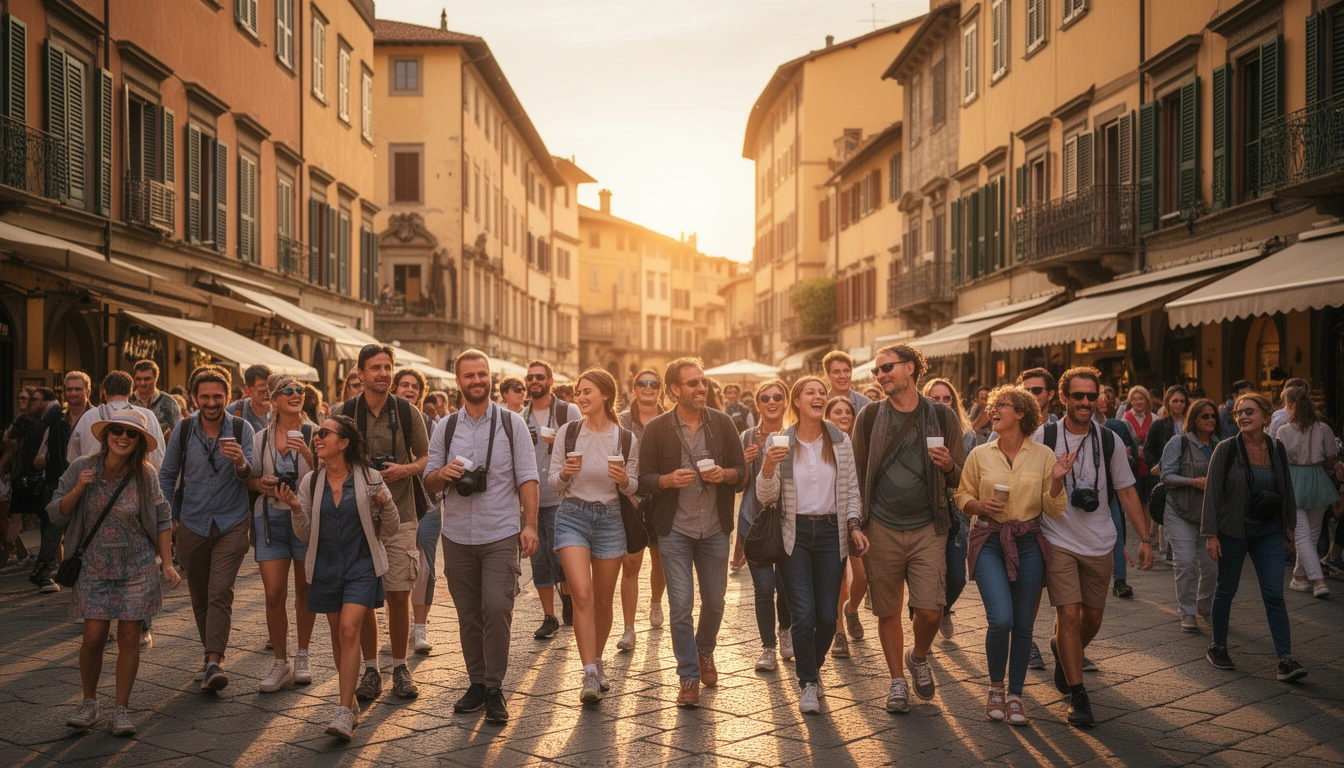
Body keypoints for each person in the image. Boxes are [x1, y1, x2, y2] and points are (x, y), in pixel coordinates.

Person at [423, 349, 539, 724]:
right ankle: (476, 682)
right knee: (468, 614)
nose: (476, 381)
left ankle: (494, 686)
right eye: (469, 375)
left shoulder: (511, 423)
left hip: (501, 532)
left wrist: (531, 525)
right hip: (456, 535)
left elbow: (528, 477)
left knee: (498, 607)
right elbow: (427, 480)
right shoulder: (446, 427)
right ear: (458, 382)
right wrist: (444, 473)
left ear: (490, 378)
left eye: (482, 374)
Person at [850, 344, 966, 715]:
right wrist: (855, 522)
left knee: (931, 610)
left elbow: (961, 479)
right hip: (881, 526)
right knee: (888, 609)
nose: (880, 375)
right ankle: (897, 681)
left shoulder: (942, 416)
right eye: (876, 371)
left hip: (930, 526)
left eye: (887, 368)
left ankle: (918, 657)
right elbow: (854, 475)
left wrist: (948, 465)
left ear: (911, 368)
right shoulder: (868, 417)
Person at [50, 409, 180, 737]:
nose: (122, 437)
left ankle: (121, 708)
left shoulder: (145, 475)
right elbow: (55, 513)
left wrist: (166, 563)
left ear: (139, 441)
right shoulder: (82, 468)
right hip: (93, 567)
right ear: (106, 435)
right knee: (93, 637)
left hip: (136, 567)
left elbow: (163, 517)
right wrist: (78, 488)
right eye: (116, 430)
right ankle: (89, 702)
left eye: (130, 433)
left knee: (129, 639)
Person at [1035, 366, 1153, 727]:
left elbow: (1126, 490)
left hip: (1100, 541)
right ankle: (1078, 695)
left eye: (1091, 396)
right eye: (1078, 396)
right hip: (1058, 538)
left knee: (1093, 618)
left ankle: (1063, 649)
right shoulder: (1046, 435)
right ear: (1063, 397)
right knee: (1068, 615)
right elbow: (1032, 484)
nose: (1085, 402)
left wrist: (1144, 537)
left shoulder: (1109, 440)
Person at [276, 416, 400, 740]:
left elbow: (392, 527)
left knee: (348, 629)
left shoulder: (369, 477)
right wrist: (295, 509)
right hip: (326, 567)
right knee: (337, 634)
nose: (316, 438)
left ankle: (344, 711)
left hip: (361, 565)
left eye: (324, 434)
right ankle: (349, 703)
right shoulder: (311, 483)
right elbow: (303, 534)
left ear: (343, 442)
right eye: (317, 434)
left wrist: (384, 504)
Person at [956, 386, 1069, 726]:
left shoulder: (1044, 455)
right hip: (990, 537)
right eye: (992, 405)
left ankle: (1016, 696)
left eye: (1001, 405)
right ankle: (995, 688)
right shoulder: (980, 454)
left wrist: (1057, 482)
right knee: (1001, 619)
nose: (994, 410)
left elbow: (1054, 508)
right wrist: (979, 505)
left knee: (1023, 624)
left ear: (1020, 413)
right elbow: (962, 495)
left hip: (1029, 540)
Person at [637, 357, 745, 708]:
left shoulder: (723, 423)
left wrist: (724, 475)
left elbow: (742, 473)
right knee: (680, 605)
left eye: (703, 382)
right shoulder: (657, 429)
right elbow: (643, 479)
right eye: (693, 383)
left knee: (714, 602)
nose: (702, 388)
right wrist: (667, 481)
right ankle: (687, 675)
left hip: (714, 528)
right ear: (674, 390)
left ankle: (704, 651)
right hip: (675, 530)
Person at [756, 376, 867, 714]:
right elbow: (766, 496)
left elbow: (851, 490)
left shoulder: (840, 441)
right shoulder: (782, 442)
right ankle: (807, 682)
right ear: (798, 403)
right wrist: (768, 465)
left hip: (832, 534)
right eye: (811, 393)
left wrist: (854, 524)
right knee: (802, 614)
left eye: (822, 393)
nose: (819, 397)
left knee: (825, 616)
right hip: (796, 535)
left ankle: (813, 669)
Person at [331, 345, 430, 702]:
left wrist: (404, 470)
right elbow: (331, 458)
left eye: (388, 367)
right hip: (357, 517)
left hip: (401, 513)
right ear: (360, 373)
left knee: (398, 592)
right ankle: (371, 668)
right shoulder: (345, 413)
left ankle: (400, 665)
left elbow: (424, 457)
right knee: (365, 594)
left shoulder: (407, 412)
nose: (384, 373)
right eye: (376, 368)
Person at [158, 365, 255, 692]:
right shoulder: (183, 431)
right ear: (194, 397)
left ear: (227, 397)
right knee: (199, 596)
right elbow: (167, 476)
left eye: (218, 396)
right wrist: (166, 519)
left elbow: (250, 476)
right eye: (205, 396)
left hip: (232, 523)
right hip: (193, 523)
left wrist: (241, 461)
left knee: (219, 591)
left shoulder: (243, 430)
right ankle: (209, 657)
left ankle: (215, 660)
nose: (212, 402)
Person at [550, 368, 641, 704]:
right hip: (572, 515)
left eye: (587, 391)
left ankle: (598, 660)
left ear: (605, 395)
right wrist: (564, 472)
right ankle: (588, 672)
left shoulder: (626, 438)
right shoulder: (568, 432)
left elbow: (634, 485)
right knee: (583, 596)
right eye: (578, 392)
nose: (581, 397)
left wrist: (623, 480)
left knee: (603, 603)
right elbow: (553, 483)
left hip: (610, 519)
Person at [1203, 392, 1305, 681]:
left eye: (1250, 411)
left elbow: (1286, 486)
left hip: (1269, 530)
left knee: (1274, 593)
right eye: (1239, 412)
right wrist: (1211, 534)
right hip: (1234, 530)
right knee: (1226, 589)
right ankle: (1218, 646)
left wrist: (1289, 525)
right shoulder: (1226, 449)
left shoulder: (1276, 447)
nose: (1243, 417)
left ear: (1265, 416)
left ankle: (1285, 659)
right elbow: (1211, 493)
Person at [246, 375, 318, 691]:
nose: (295, 394)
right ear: (274, 399)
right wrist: (258, 484)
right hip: (271, 518)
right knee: (274, 593)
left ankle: (302, 655)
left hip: (303, 518)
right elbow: (252, 478)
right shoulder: (261, 438)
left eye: (300, 390)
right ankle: (280, 662)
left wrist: (307, 454)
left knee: (304, 590)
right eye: (287, 390)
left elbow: (330, 475)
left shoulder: (315, 433)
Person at [731, 379, 794, 670]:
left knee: (786, 586)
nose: (771, 402)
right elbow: (739, 486)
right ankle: (768, 647)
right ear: (758, 404)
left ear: (785, 401)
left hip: (788, 522)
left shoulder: (796, 433)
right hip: (753, 521)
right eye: (765, 397)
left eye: (777, 397)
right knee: (764, 587)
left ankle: (785, 630)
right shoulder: (746, 437)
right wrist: (744, 464)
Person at [523, 360, 582, 637]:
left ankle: (568, 598)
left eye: (539, 377)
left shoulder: (567, 410)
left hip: (562, 497)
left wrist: (559, 440)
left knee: (564, 558)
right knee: (539, 561)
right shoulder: (520, 416)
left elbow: (583, 444)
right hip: (532, 500)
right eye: (530, 377)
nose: (534, 381)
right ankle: (549, 617)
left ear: (550, 380)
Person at [921, 377, 976, 641]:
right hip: (925, 514)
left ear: (954, 401)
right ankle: (922, 628)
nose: (941, 403)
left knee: (956, 577)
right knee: (924, 579)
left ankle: (945, 610)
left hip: (957, 515)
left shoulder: (968, 435)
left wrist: (951, 467)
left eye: (946, 398)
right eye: (934, 399)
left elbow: (973, 474)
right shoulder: (918, 430)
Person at [1160, 398, 1220, 632]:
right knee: (1185, 562)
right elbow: (1166, 476)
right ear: (1194, 419)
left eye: (1213, 416)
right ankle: (1187, 612)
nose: (1211, 420)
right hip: (1179, 511)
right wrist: (1192, 481)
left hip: (1208, 515)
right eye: (1205, 416)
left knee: (1212, 565)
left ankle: (1204, 605)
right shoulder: (1179, 442)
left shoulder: (1218, 445)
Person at [394, 368, 441, 655]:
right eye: (404, 385)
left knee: (425, 566)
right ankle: (397, 627)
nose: (409, 390)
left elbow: (437, 460)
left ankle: (419, 627)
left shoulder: (430, 424)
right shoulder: (385, 422)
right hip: (394, 505)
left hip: (427, 504)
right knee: (395, 568)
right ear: (395, 389)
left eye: (415, 387)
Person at [618, 369, 667, 637]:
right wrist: (628, 494)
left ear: (660, 389)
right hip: (631, 499)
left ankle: (656, 603)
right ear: (634, 388)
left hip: (661, 497)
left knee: (659, 561)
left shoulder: (670, 420)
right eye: (643, 383)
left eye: (653, 383)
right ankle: (628, 628)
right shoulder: (622, 420)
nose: (648, 387)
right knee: (631, 563)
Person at [1277, 386, 1338, 599]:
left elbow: (1280, 460)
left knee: (1302, 535)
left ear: (1290, 405)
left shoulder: (1284, 431)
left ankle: (1315, 579)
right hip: (1317, 479)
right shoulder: (1323, 428)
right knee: (1310, 535)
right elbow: (1331, 456)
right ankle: (1299, 576)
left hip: (1293, 479)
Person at [819, 394, 867, 658]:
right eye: (837, 412)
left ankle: (851, 611)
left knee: (863, 578)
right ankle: (839, 635)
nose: (844, 416)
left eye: (848, 412)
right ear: (828, 417)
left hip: (858, 518)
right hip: (831, 519)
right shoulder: (825, 443)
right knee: (838, 581)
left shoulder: (859, 442)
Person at [10, 387, 61, 593]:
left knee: (52, 526)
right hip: (42, 479)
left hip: (52, 479)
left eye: (35, 399)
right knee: (51, 526)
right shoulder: (29, 421)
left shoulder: (53, 417)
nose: (31, 402)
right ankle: (49, 570)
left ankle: (49, 570)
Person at [69, 371, 165, 471]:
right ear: (130, 392)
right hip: (141, 480)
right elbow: (159, 458)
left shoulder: (87, 416)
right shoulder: (147, 416)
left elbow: (72, 459)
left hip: (91, 480)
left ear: (104, 392)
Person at [130, 360, 182, 439]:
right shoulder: (128, 402)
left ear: (155, 378)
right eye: (138, 379)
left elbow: (178, 436)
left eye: (147, 379)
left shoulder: (170, 404)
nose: (142, 383)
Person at [226, 364, 274, 433]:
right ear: (248, 389)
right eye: (262, 386)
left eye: (270, 386)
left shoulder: (282, 411)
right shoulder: (234, 411)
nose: (268, 392)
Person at [1219, 380, 1253, 449]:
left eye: (1250, 394)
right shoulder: (1225, 412)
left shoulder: (1252, 409)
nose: (1247, 397)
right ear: (1235, 395)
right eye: (1244, 394)